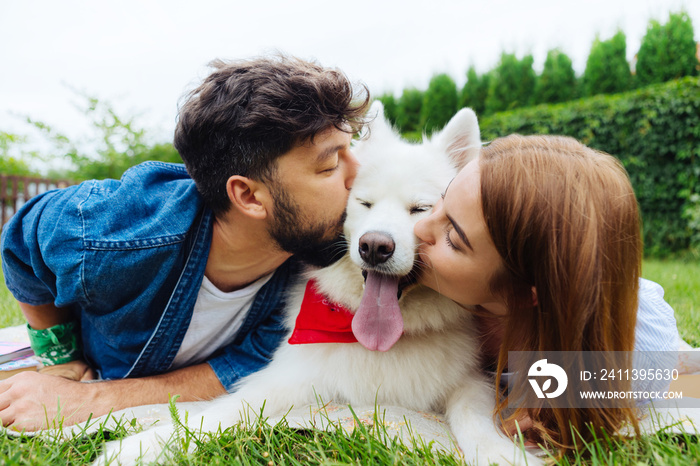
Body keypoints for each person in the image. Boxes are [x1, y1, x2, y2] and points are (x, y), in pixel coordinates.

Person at [0, 56, 369, 431]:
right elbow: (20, 242)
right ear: (249, 197)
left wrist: (94, 399)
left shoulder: (319, 266)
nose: (361, 176)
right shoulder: (115, 233)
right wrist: (58, 355)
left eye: (351, 151)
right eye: (330, 164)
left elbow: (246, 364)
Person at [414, 134, 680, 456]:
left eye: (453, 239)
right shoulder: (454, 293)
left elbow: (650, 368)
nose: (419, 227)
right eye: (437, 201)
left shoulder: (640, 349)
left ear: (522, 293)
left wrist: (555, 396)